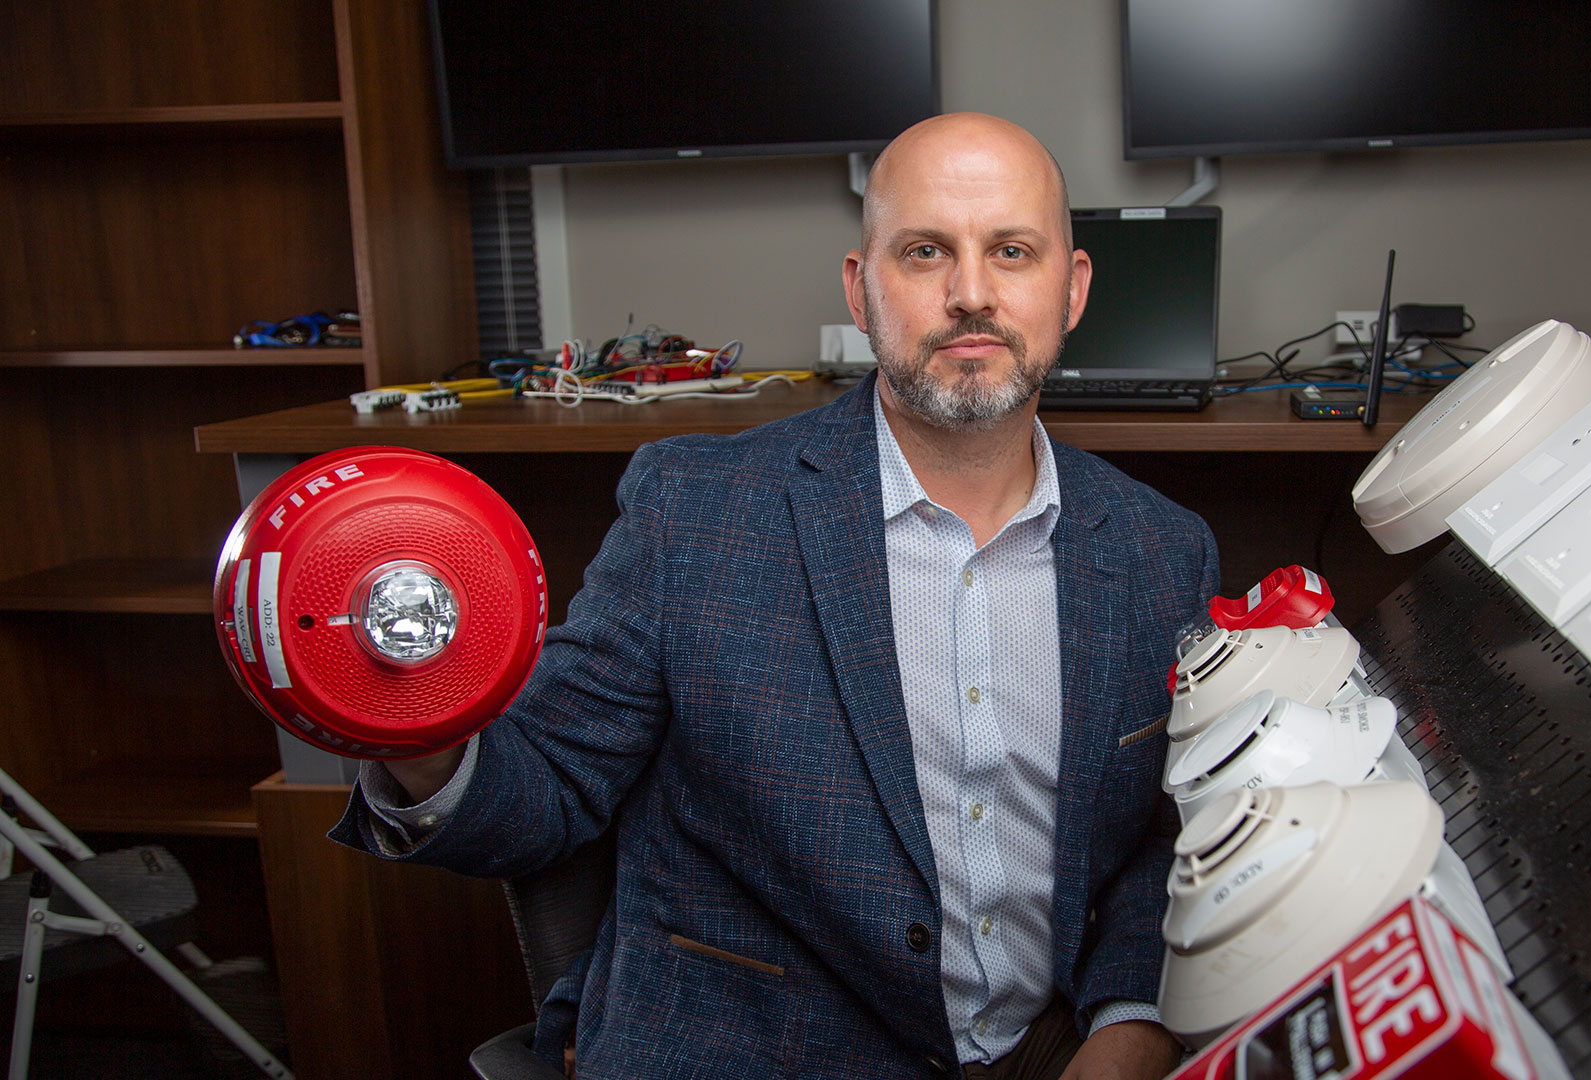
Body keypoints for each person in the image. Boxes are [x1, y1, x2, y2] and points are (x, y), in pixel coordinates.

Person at [334, 112, 1218, 1079]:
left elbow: (1157, 840)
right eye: (925, 252)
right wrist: (408, 721)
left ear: (1074, 288)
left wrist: (1128, 1022)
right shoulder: (695, 515)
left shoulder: (1160, 552)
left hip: (1043, 1048)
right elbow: (542, 790)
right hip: (756, 1050)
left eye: (1011, 251)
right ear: (861, 286)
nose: (972, 293)